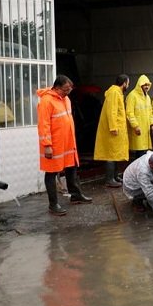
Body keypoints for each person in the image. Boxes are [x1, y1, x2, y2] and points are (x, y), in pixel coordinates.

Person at [37, 75, 92, 216]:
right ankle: (53, 204)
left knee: (71, 168)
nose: (69, 92)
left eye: (70, 89)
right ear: (57, 87)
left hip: (67, 143)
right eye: (66, 89)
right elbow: (44, 125)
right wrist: (47, 145)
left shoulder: (66, 99)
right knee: (51, 173)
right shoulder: (46, 101)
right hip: (54, 145)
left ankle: (75, 195)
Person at [94, 74, 130, 187]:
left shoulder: (117, 93)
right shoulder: (114, 93)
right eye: (128, 83)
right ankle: (109, 179)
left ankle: (115, 176)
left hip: (117, 129)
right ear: (124, 83)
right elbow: (112, 111)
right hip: (114, 130)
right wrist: (113, 127)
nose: (128, 85)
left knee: (116, 153)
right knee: (111, 154)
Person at [126, 74, 153, 160]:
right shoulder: (132, 96)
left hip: (145, 129)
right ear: (140, 85)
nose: (146, 87)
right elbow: (129, 113)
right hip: (138, 128)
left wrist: (152, 125)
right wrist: (135, 126)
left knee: (143, 151)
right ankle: (136, 171)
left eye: (148, 85)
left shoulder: (147, 97)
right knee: (138, 152)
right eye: (145, 85)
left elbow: (150, 112)